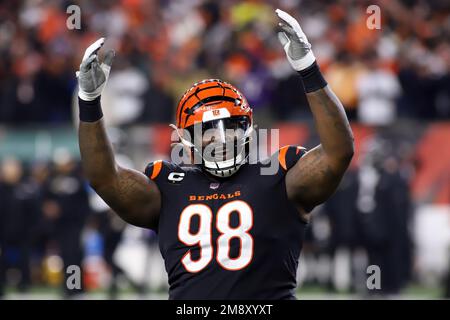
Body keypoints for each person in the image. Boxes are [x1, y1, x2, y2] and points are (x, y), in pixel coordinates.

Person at [75, 9, 354, 299]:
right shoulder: (167, 185)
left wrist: (308, 69)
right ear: (184, 138)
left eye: (230, 127)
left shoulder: (279, 175)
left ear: (249, 128)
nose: (221, 139)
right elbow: (104, 179)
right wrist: (90, 102)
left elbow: (339, 153)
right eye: (207, 130)